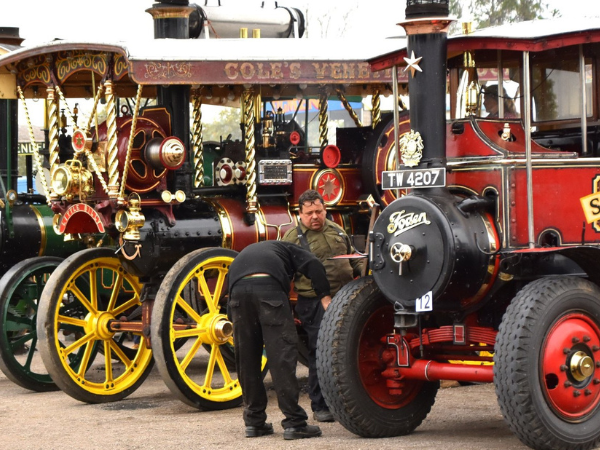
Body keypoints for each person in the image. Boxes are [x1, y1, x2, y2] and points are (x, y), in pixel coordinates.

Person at [228, 240, 332, 440]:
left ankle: (254, 422)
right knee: (281, 357)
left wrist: (234, 317)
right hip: (269, 289)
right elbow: (313, 264)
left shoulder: (248, 252)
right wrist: (324, 296)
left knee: (247, 360)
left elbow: (231, 286)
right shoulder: (290, 249)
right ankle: (295, 423)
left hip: (238, 293)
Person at [282, 189, 365, 423]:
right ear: (300, 214)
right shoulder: (292, 238)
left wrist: (365, 268)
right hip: (314, 303)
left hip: (344, 298)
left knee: (348, 351)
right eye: (309, 213)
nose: (315, 217)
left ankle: (348, 402)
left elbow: (352, 256)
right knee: (320, 352)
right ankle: (320, 405)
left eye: (319, 211)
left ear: (325, 210)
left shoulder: (337, 229)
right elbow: (286, 273)